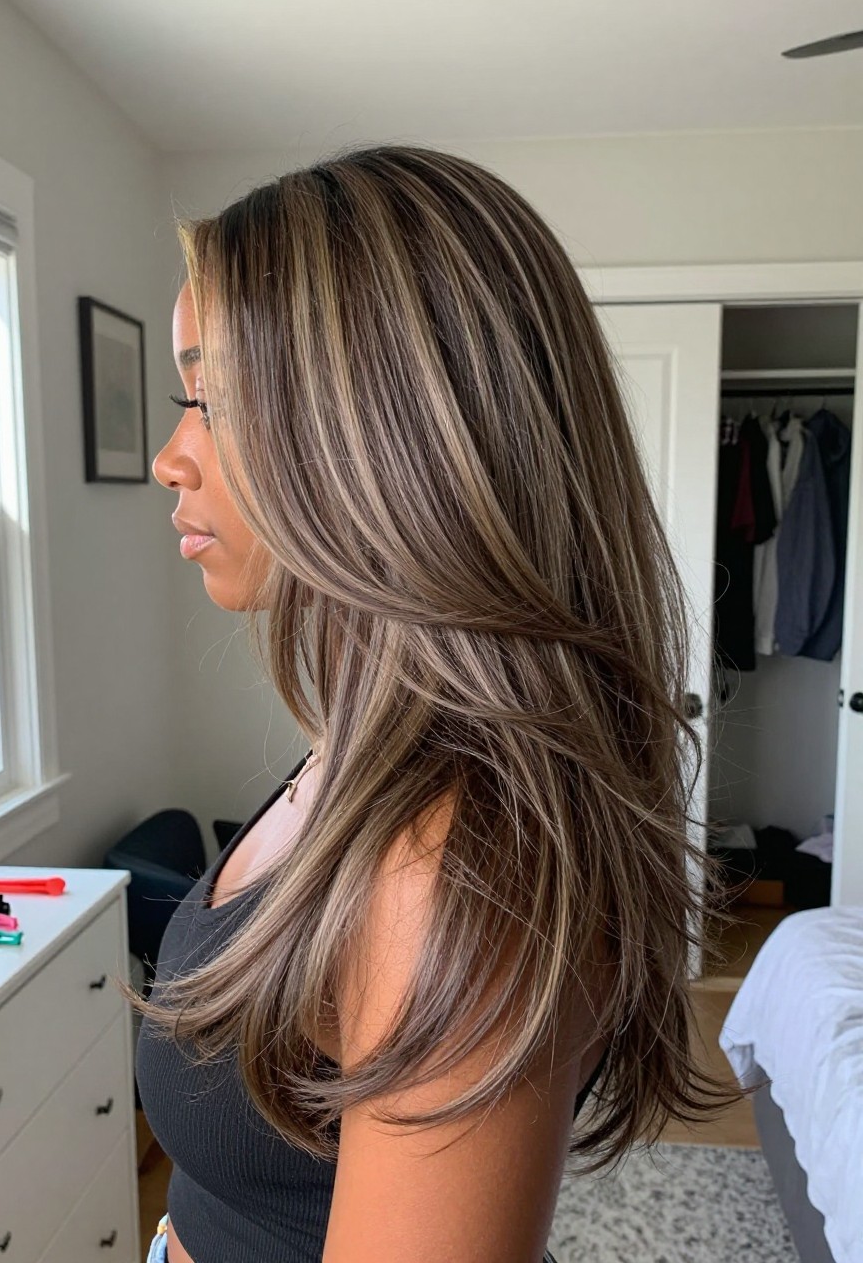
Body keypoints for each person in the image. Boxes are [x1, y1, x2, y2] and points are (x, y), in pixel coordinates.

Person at [133, 144, 736, 1263]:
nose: (171, 455)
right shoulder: (366, 753)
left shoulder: (451, 865)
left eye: (214, 400)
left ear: (380, 427)